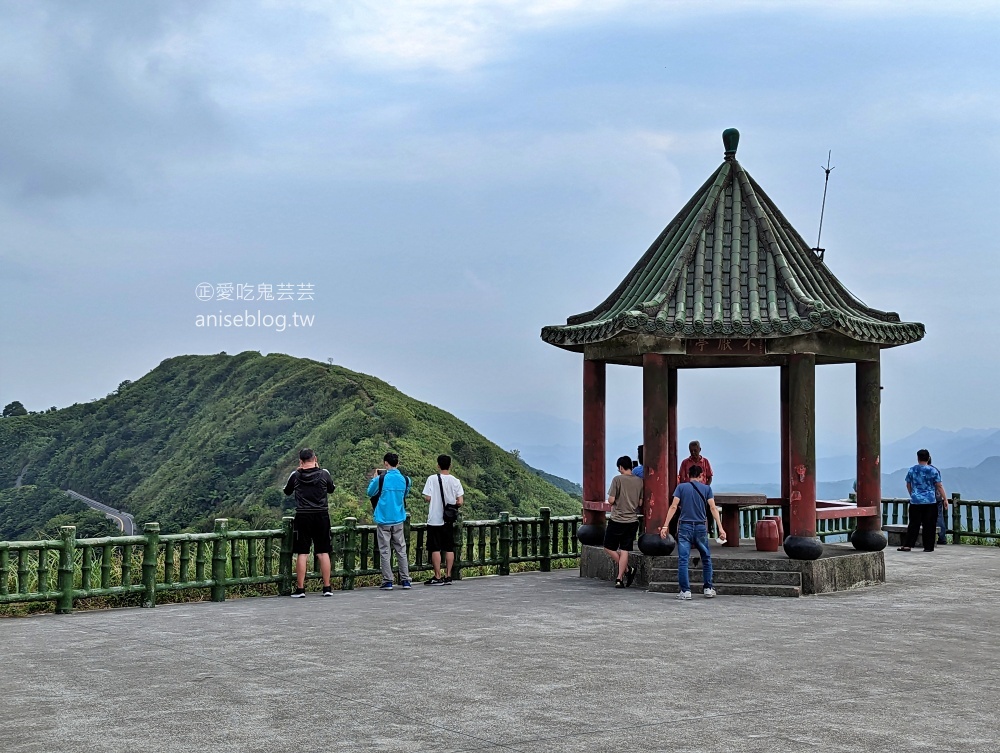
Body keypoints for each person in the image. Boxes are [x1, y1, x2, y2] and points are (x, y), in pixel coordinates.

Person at [660, 465, 726, 600]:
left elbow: (673, 506)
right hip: (701, 527)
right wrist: (720, 528)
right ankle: (708, 588)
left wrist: (665, 526)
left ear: (688, 475)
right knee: (706, 557)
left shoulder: (681, 488)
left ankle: (685, 591)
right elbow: (713, 508)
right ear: (702, 476)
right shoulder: (707, 489)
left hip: (685, 526)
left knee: (683, 559)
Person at [283, 448, 335, 598]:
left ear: (300, 461)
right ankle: (327, 588)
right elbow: (331, 489)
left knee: (302, 553)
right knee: (323, 552)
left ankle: (300, 589)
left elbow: (287, 491)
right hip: (322, 515)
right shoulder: (324, 473)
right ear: (315, 458)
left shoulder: (296, 475)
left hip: (303, 516)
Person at [366, 452, 412, 590]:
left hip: (383, 519)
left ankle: (388, 581)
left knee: (385, 550)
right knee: (401, 550)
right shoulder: (406, 479)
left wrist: (375, 479)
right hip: (398, 518)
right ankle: (405, 580)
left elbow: (369, 493)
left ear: (386, 463)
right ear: (397, 463)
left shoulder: (380, 479)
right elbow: (405, 493)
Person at [422, 454, 465, 585]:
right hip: (448, 519)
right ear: (450, 465)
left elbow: (427, 497)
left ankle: (437, 576)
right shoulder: (455, 481)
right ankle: (448, 575)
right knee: (449, 547)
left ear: (438, 465)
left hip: (435, 518)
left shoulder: (432, 479)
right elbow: (460, 501)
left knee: (435, 548)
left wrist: (435, 498)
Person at [604, 455, 643, 588]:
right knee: (625, 549)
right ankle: (620, 578)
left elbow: (610, 500)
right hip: (632, 520)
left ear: (621, 467)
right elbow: (640, 502)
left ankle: (627, 570)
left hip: (617, 519)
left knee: (608, 547)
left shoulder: (617, 480)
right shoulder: (639, 481)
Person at [901, 449, 946, 552]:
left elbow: (908, 484)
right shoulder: (933, 471)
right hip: (930, 501)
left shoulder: (912, 470)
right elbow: (939, 486)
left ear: (918, 458)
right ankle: (928, 547)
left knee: (913, 524)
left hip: (916, 501)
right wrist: (945, 499)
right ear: (928, 458)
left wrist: (913, 494)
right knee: (929, 524)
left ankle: (908, 545)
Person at [929, 454, 948, 546]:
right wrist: (945, 498)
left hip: (923, 498)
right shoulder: (935, 470)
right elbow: (939, 485)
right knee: (939, 517)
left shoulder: (917, 470)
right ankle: (942, 538)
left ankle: (926, 538)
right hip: (937, 497)